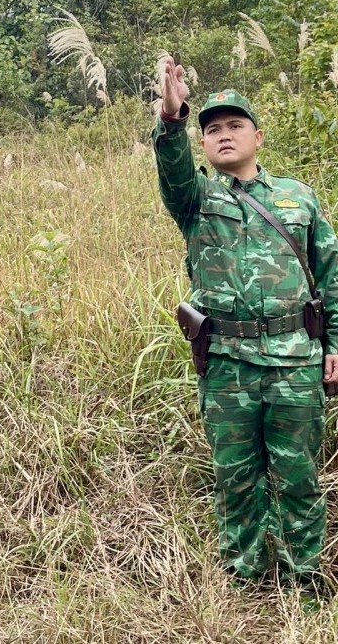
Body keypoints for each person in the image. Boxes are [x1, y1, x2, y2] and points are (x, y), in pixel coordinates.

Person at [155, 55, 338, 593]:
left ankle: (306, 578)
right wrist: (172, 120)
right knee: (236, 478)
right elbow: (174, 170)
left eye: (235, 126)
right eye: (212, 129)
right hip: (228, 365)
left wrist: (336, 344)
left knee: (299, 477)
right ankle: (248, 578)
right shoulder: (197, 199)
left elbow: (330, 276)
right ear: (205, 143)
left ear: (257, 136)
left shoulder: (297, 198)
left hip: (295, 360)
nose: (223, 135)